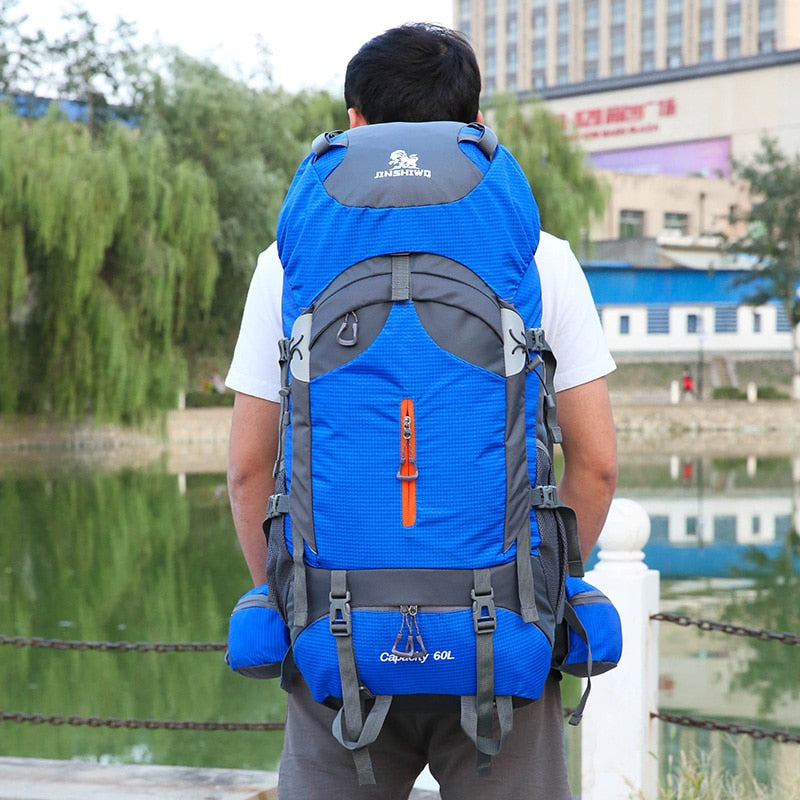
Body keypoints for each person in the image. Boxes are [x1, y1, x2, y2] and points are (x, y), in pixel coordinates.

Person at [226, 23, 617, 800]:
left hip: (337, 637)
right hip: (502, 634)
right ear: (475, 123)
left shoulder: (287, 263)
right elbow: (597, 465)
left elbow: (247, 471)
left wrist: (299, 603)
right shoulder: (541, 256)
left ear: (355, 122)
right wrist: (539, 594)